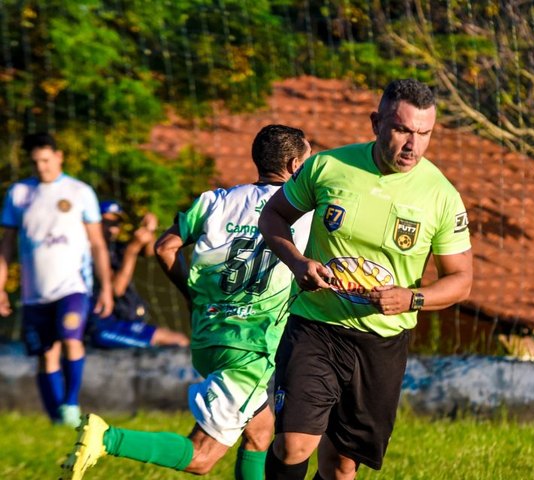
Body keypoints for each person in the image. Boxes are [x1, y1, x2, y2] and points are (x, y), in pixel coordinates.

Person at [60, 124, 313, 480]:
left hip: (208, 334)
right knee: (202, 457)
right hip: (249, 347)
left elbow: (164, 248)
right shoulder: (305, 216)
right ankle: (108, 438)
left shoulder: (215, 201)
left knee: (259, 432)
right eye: (308, 161)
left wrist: (192, 296)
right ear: (293, 165)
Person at [258, 78, 474, 479]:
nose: (413, 145)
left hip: (381, 343)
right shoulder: (328, 167)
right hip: (316, 326)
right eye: (402, 130)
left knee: (341, 466)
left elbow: (460, 280)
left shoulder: (440, 195)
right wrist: (297, 262)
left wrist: (411, 299)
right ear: (376, 123)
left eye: (424, 134)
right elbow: (272, 216)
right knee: (293, 444)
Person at [0, 132, 114, 427]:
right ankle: (57, 420)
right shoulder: (19, 193)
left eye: (46, 160)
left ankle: (72, 403)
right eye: (35, 161)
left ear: (59, 156)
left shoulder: (79, 192)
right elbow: (7, 245)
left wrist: (106, 288)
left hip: (73, 286)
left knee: (70, 337)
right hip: (34, 291)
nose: (41, 167)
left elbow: (98, 244)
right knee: (45, 354)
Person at [87, 200, 189, 349]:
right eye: (107, 222)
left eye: (116, 223)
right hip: (103, 326)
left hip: (125, 321)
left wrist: (149, 230)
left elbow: (149, 251)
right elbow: (116, 290)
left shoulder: (115, 248)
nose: (113, 229)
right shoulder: (91, 252)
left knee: (181, 339)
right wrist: (132, 250)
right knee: (175, 342)